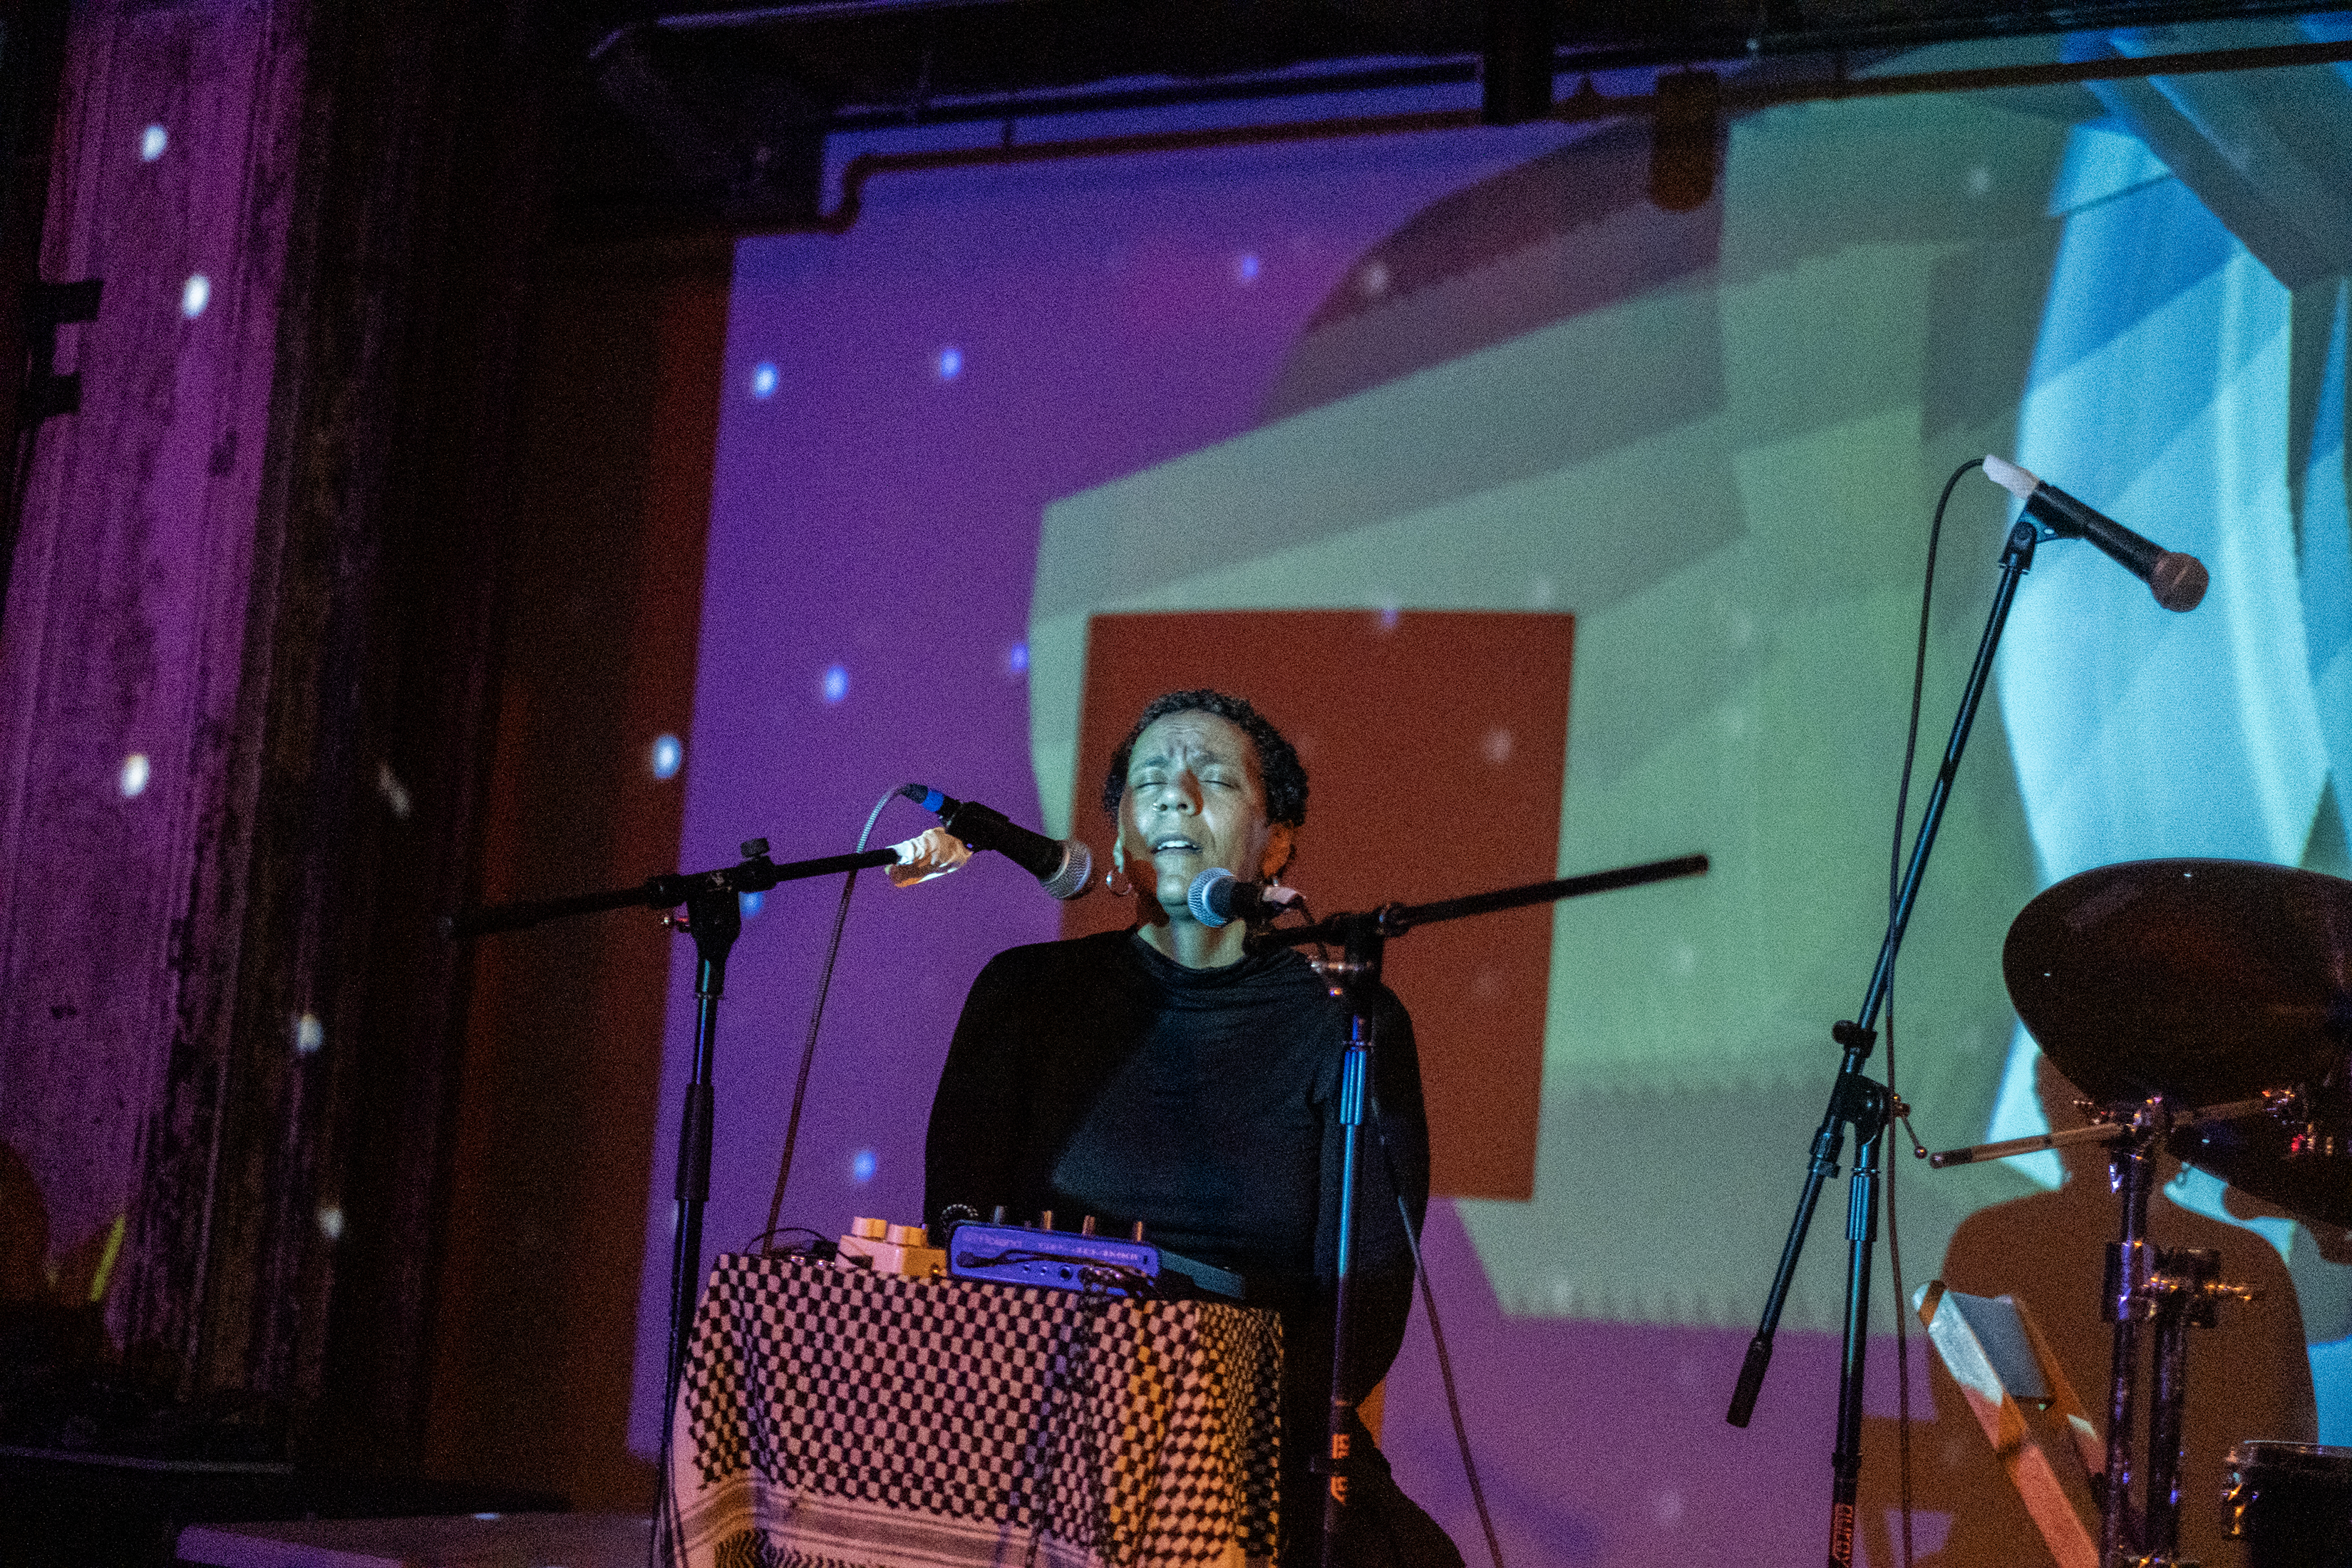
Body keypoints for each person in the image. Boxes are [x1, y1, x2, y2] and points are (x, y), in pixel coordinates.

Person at [923, 688, 1462, 1568]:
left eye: (1213, 778)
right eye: (1148, 782)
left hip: (1254, 1440)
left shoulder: (1346, 1017)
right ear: (1123, 834)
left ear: (1277, 838)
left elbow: (1361, 1308)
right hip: (1034, 1426)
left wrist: (1196, 1439)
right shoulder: (1022, 995)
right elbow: (955, 1238)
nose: (1176, 795)